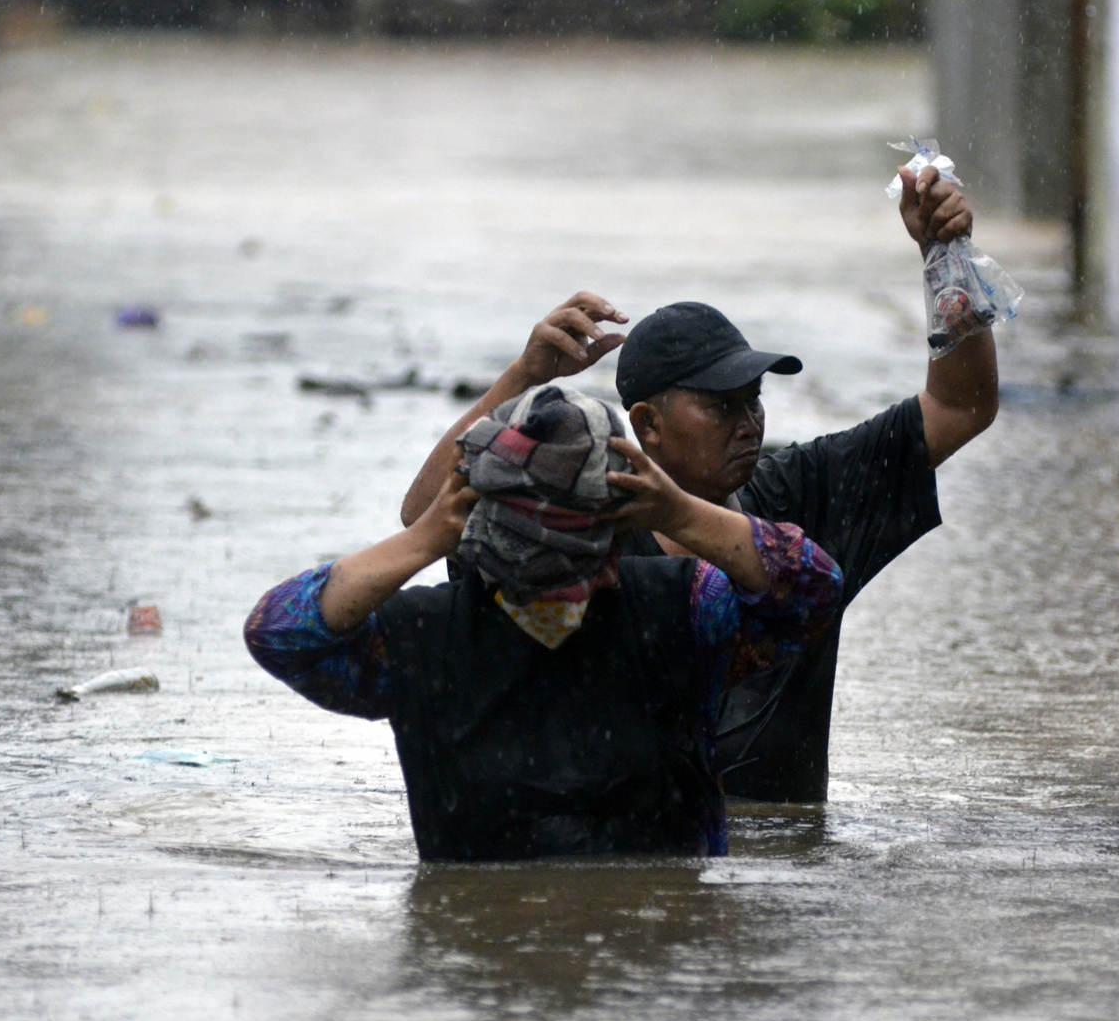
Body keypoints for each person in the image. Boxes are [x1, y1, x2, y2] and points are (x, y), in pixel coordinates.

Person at [399, 164, 996, 802]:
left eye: (753, 399)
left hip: (775, 866)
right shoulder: (576, 525)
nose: (749, 423)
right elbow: (426, 516)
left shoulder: (801, 491)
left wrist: (945, 257)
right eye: (721, 406)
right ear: (647, 426)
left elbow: (962, 406)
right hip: (635, 853)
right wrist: (523, 375)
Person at [245, 385, 842, 862]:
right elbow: (809, 586)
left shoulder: (419, 638)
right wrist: (425, 535)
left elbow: (282, 629)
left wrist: (423, 538)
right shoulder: (684, 611)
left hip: (495, 970)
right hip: (654, 973)